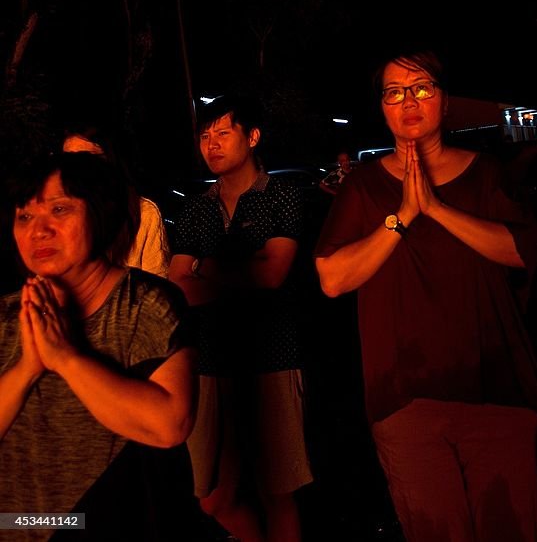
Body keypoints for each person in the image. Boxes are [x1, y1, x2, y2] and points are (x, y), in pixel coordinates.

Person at [315, 50, 537, 542]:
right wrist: (401, 218)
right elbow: (333, 278)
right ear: (382, 108)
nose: (409, 101)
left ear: (444, 101)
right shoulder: (364, 185)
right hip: (405, 398)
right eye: (394, 92)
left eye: (421, 88)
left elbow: (521, 250)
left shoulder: (486, 172)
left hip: (496, 386)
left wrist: (436, 209)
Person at [0, 152, 195, 540]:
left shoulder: (146, 304)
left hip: (124, 523)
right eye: (25, 216)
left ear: (100, 215)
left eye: (59, 209)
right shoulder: (7, 316)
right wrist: (26, 368)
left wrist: (66, 358)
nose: (39, 230)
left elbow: (170, 425)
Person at [168, 95, 312, 542]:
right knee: (212, 496)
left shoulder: (282, 197)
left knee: (278, 491)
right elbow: (177, 288)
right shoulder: (195, 209)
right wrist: (237, 269)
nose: (210, 144)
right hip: (209, 363)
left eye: (222, 133)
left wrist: (205, 268)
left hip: (271, 357)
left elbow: (272, 274)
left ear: (252, 137)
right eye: (204, 136)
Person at [62, 125, 171, 277]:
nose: (76, 170)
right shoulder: (56, 215)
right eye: (68, 161)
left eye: (87, 159)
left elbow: (158, 288)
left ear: (110, 161)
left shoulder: (143, 213)